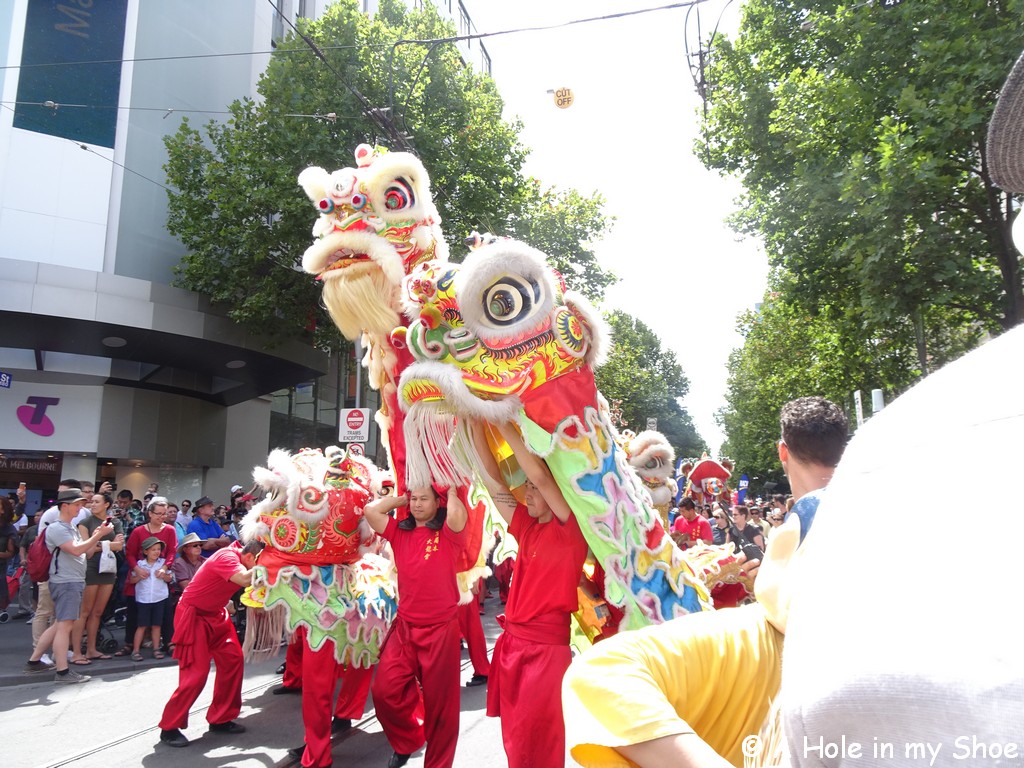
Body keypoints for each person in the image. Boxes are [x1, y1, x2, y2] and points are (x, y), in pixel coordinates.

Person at [561, 396, 848, 768]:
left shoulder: (804, 520)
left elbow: (779, 606)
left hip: (793, 675)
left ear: (782, 451)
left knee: (600, 673)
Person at [472, 420, 589, 768]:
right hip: (512, 647)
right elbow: (493, 484)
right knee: (514, 740)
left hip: (546, 653)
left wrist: (504, 424)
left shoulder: (570, 530)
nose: (528, 493)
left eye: (533, 490)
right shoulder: (527, 526)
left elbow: (539, 476)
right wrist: (473, 422)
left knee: (536, 740)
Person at [363, 485, 468, 768]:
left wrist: (453, 492)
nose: (418, 504)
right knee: (384, 692)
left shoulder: (448, 532)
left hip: (441, 631)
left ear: (438, 502)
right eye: (415, 499)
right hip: (405, 628)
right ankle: (408, 740)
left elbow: (458, 516)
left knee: (441, 710)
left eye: (425, 499)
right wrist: (402, 498)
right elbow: (371, 511)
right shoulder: (400, 531)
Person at [158, 539, 263, 748]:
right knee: (196, 674)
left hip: (216, 613)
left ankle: (221, 718)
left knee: (233, 660)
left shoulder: (241, 556)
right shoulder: (227, 556)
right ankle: (169, 727)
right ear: (251, 557)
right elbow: (243, 579)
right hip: (193, 616)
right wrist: (275, 566)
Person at [24, 488, 117, 683]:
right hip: (66, 582)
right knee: (65, 626)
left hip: (70, 581)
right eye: (77, 504)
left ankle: (34, 662)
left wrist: (97, 535)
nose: (80, 508)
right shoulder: (58, 528)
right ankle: (62, 672)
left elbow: (84, 552)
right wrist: (98, 536)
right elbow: (76, 550)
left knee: (60, 624)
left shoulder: (69, 527)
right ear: (64, 505)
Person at [116, 496, 177, 658]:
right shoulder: (139, 531)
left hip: (160, 573)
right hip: (141, 572)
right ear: (150, 513)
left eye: (164, 514)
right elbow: (129, 552)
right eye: (158, 513)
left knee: (164, 610)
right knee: (135, 610)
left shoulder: (170, 530)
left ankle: (168, 642)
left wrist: (165, 568)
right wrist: (136, 568)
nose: (162, 517)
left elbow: (172, 551)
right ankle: (131, 643)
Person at [70, 492, 124, 663]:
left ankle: (92, 649)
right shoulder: (85, 523)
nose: (92, 504)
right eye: (91, 501)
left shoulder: (115, 522)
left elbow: (119, 546)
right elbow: (88, 551)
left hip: (108, 568)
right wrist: (106, 542)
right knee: (84, 612)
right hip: (91, 568)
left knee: (98, 612)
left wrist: (98, 544)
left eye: (96, 502)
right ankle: (77, 651)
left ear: (106, 504)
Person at [130, 536, 173, 660]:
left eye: (158, 549)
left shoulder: (162, 564)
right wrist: (140, 576)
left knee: (156, 625)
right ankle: (136, 650)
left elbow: (170, 578)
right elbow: (132, 580)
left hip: (159, 598)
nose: (156, 552)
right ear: (145, 552)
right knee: (142, 625)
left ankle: (156, 649)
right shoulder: (140, 565)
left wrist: (163, 576)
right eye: (153, 549)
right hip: (144, 599)